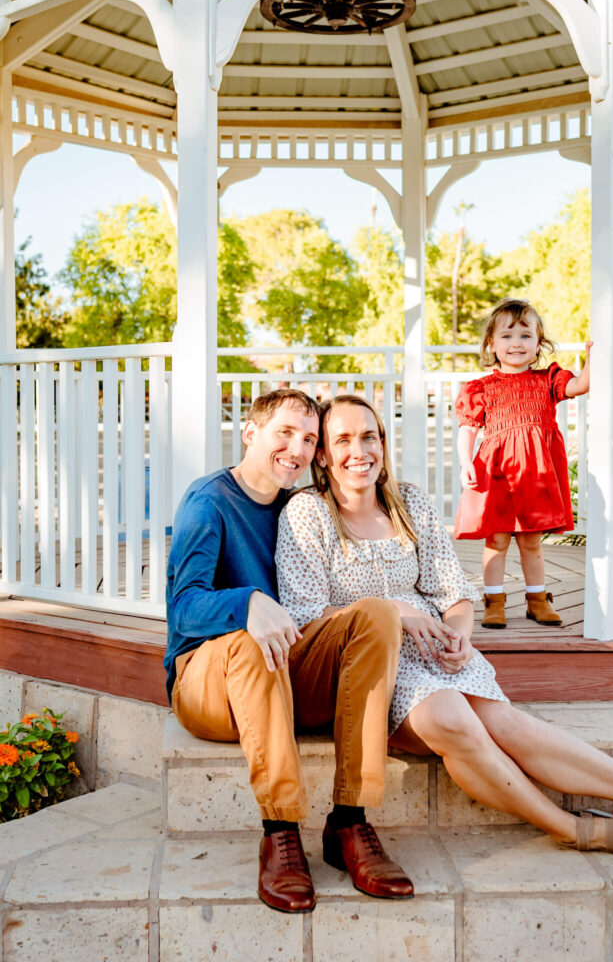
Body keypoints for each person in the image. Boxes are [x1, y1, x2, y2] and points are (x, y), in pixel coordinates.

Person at [276, 393, 613, 870]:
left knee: (508, 724)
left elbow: (454, 595)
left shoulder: (409, 504)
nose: (359, 451)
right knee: (454, 720)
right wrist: (393, 611)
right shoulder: (308, 513)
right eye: (342, 440)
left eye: (369, 436)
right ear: (322, 455)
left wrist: (461, 635)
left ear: (383, 442)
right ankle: (572, 830)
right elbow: (305, 616)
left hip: (436, 654)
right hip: (370, 667)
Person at [164, 388, 414, 917]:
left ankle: (350, 818)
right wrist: (246, 601)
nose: (297, 450)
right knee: (251, 639)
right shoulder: (209, 501)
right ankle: (280, 830)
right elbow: (183, 609)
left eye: (308, 440)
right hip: (207, 685)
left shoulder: (295, 507)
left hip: (279, 675)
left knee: (377, 615)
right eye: (284, 433)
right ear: (251, 433)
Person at [454, 298, 591, 629]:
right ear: (491, 343)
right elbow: (468, 429)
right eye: (507, 336)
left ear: (539, 343)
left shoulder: (548, 380)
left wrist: (593, 356)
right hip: (498, 473)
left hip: (536, 475)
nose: (516, 343)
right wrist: (465, 462)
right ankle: (494, 601)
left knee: (532, 542)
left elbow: (582, 385)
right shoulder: (481, 388)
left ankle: (537, 600)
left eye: (526, 336)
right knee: (497, 540)